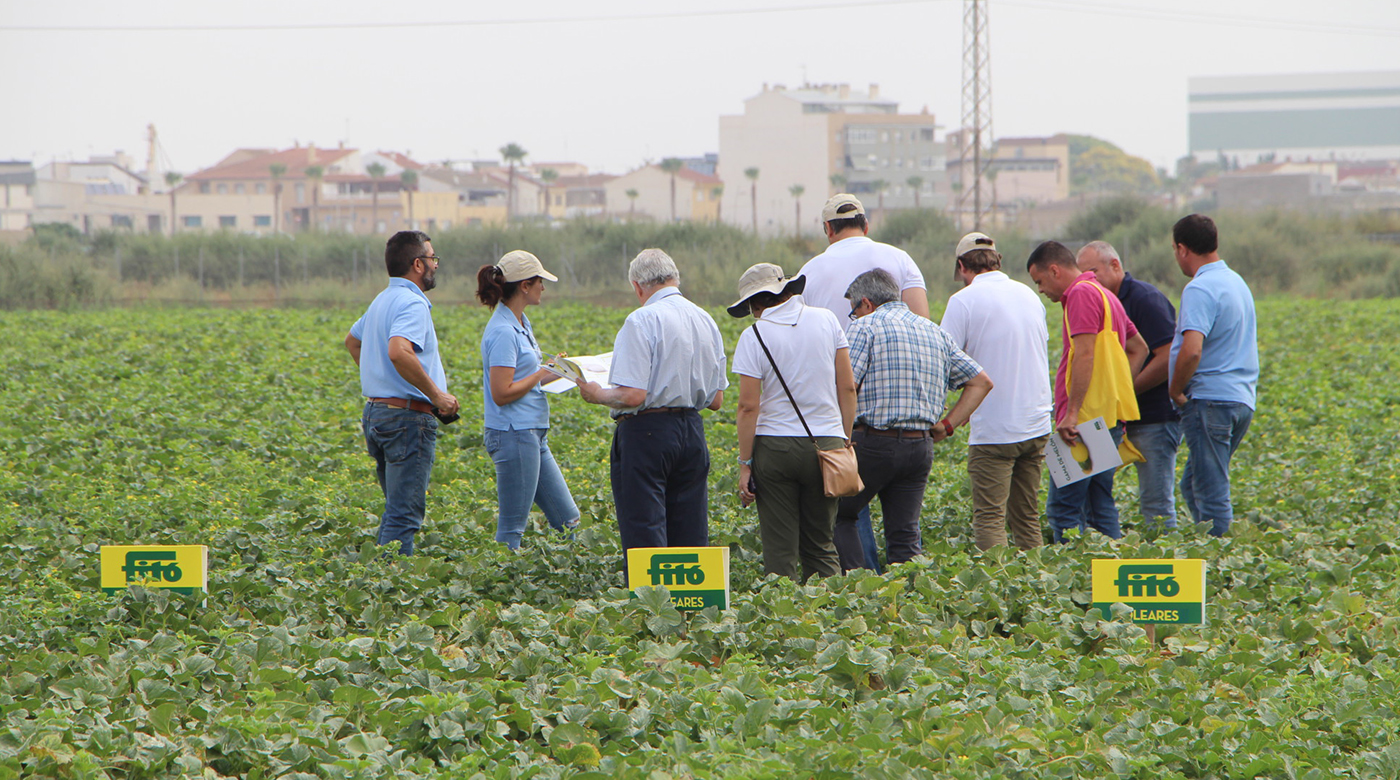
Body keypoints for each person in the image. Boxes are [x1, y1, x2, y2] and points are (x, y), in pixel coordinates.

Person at [795, 193, 929, 570]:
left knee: (846, 499)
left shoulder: (809, 271)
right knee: (904, 523)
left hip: (836, 398)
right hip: (902, 405)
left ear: (828, 229)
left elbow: (802, 335)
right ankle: (907, 586)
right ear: (866, 225)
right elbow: (922, 324)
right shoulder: (900, 259)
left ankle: (861, 580)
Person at [835, 269, 993, 570]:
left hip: (873, 443)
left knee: (839, 514)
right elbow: (981, 382)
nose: (854, 316)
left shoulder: (865, 327)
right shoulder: (934, 331)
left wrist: (838, 437)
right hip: (919, 447)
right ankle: (909, 593)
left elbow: (847, 386)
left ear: (866, 303)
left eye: (854, 310)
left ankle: (858, 587)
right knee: (905, 533)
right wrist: (947, 426)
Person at [576, 249, 728, 553]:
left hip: (647, 433)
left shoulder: (641, 319)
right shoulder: (705, 319)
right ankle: (689, 584)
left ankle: (650, 586)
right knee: (690, 533)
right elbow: (716, 400)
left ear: (637, 286)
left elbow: (633, 395)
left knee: (645, 532)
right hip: (692, 432)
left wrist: (597, 394)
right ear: (674, 278)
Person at [730, 263, 856, 581]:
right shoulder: (827, 320)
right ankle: (830, 607)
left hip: (775, 449)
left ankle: (782, 608)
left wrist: (745, 464)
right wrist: (844, 440)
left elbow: (747, 407)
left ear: (755, 303)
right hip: (827, 442)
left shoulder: (754, 335)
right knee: (821, 544)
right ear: (786, 290)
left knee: (780, 549)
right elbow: (847, 388)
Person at [344, 230, 459, 556]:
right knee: (404, 515)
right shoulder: (412, 302)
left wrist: (381, 378)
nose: (436, 264)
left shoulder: (382, 299)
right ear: (418, 264)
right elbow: (399, 350)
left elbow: (353, 342)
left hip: (377, 414)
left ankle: (378, 575)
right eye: (433, 258)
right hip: (406, 420)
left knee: (395, 509)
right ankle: (388, 581)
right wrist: (437, 396)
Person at [1026, 240, 1148, 543]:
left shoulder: (1080, 294)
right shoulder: (1105, 295)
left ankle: (1073, 571)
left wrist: (1072, 413)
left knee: (1064, 509)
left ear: (1055, 270)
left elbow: (1084, 354)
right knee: (1099, 504)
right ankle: (1111, 563)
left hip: (1083, 422)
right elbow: (1139, 349)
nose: (1040, 290)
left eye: (1040, 281)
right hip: (1106, 418)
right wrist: (1115, 388)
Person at [942, 232, 1054, 551]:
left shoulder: (963, 301)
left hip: (995, 431)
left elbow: (942, 361)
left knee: (990, 518)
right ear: (998, 261)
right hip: (1036, 425)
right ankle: (1037, 579)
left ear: (962, 266)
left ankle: (997, 581)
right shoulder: (1028, 295)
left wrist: (945, 415)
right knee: (1027, 516)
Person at [476, 250, 580, 550]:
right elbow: (502, 393)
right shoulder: (503, 331)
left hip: (532, 433)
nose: (543, 288)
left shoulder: (521, 323)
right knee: (512, 527)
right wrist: (540, 373)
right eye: (539, 282)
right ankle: (501, 575)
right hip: (514, 434)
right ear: (524, 286)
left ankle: (568, 571)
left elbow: (527, 377)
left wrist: (561, 371)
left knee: (568, 519)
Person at [1075, 240, 1182, 530]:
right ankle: (1104, 551)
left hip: (1153, 418)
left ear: (1115, 265)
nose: (1087, 279)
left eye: (1093, 272)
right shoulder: (1096, 300)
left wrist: (1124, 390)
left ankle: (1163, 553)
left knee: (1156, 503)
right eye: (1082, 274)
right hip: (1112, 418)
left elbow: (1167, 356)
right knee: (1097, 498)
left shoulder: (1145, 299)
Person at [1167, 214, 1259, 537]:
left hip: (1210, 401)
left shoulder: (1200, 287)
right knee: (1194, 482)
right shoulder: (1236, 282)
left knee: (1210, 489)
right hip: (1241, 399)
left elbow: (1192, 350)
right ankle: (1209, 544)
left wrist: (1175, 390)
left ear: (1182, 249)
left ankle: (1220, 556)